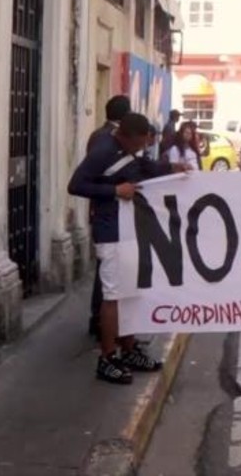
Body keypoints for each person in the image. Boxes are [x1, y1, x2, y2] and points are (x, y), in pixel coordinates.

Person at [68, 113, 173, 384]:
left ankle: (128, 349)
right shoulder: (102, 151)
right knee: (113, 295)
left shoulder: (128, 151)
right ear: (126, 136)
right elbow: (76, 185)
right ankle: (107, 358)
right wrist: (115, 191)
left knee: (132, 292)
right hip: (110, 232)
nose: (141, 148)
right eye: (138, 143)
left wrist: (175, 169)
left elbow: (144, 169)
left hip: (131, 231)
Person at [84, 94, 131, 337]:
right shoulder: (108, 139)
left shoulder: (96, 134)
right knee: (108, 271)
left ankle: (100, 319)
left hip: (102, 208)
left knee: (106, 268)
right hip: (108, 209)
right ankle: (100, 320)